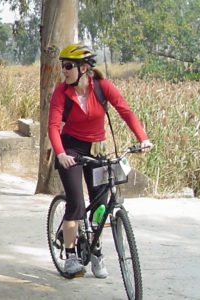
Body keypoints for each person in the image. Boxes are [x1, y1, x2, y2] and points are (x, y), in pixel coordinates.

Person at [48, 44, 154, 277]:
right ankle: (70, 255)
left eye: (68, 66)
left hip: (97, 148)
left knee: (100, 207)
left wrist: (143, 139)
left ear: (84, 68)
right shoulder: (61, 92)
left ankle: (96, 250)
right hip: (71, 150)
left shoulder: (103, 88)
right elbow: (54, 126)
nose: (63, 71)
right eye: (62, 65)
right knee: (75, 203)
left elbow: (125, 111)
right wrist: (60, 153)